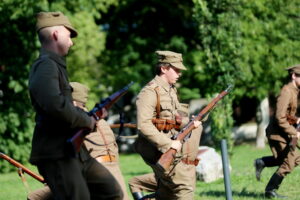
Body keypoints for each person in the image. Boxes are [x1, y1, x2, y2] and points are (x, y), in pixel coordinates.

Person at [28, 11, 122, 200]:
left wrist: (93, 117)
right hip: (57, 153)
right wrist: (86, 120)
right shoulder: (46, 65)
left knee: (110, 191)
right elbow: (54, 105)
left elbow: (62, 105)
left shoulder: (55, 65)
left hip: (74, 152)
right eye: (69, 35)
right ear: (56, 35)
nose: (71, 42)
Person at [28, 82, 128, 200]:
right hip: (114, 173)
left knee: (34, 197)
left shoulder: (75, 123)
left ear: (72, 102)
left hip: (91, 177)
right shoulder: (99, 121)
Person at [134, 50, 202, 200]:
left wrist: (190, 123)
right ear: (164, 68)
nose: (180, 73)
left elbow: (173, 119)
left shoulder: (171, 90)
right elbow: (143, 125)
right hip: (159, 150)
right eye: (176, 69)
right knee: (184, 188)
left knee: (167, 194)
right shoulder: (149, 92)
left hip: (173, 148)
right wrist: (168, 144)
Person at [254, 64, 300, 199]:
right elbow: (279, 117)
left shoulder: (295, 91)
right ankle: (270, 191)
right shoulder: (287, 92)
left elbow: (286, 115)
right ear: (294, 76)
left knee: (289, 159)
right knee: (291, 160)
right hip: (277, 133)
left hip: (284, 132)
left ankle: (262, 162)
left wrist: (296, 120)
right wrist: (294, 132)